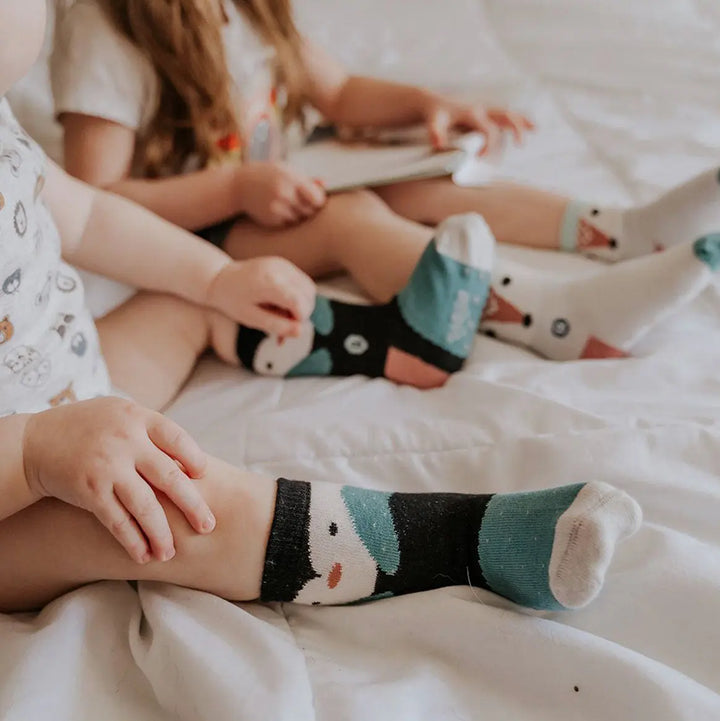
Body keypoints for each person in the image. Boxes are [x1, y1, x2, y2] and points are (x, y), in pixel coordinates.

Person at [0, 0, 642, 614]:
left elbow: (87, 214)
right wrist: (35, 450)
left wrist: (218, 279)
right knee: (177, 509)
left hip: (71, 391)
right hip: (22, 489)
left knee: (189, 298)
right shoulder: (104, 32)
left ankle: (403, 335)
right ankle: (460, 544)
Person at [51, 0, 720, 373]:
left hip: (272, 185)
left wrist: (426, 106)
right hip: (182, 232)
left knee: (424, 182)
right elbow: (96, 195)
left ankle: (625, 230)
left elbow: (338, 92)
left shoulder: (246, 9)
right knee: (351, 215)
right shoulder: (103, 28)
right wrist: (234, 192)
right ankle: (560, 318)